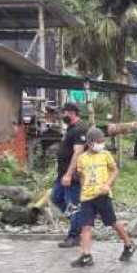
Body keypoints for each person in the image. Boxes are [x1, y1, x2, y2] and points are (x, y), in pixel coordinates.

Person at [62, 127, 137, 266]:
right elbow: (82, 176)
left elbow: (114, 170)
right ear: (89, 143)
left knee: (113, 222)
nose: (101, 144)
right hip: (87, 198)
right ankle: (86, 255)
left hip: (102, 195)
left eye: (102, 141)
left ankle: (129, 243)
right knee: (85, 226)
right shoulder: (82, 159)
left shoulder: (105, 155)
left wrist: (107, 184)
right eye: (98, 142)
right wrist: (82, 189)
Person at [52, 103, 87, 248]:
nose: (62, 116)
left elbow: (78, 153)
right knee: (56, 198)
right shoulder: (71, 128)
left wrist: (69, 174)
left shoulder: (80, 129)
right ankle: (78, 222)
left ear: (72, 113)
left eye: (64, 113)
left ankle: (74, 236)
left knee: (73, 204)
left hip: (71, 175)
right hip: (62, 173)